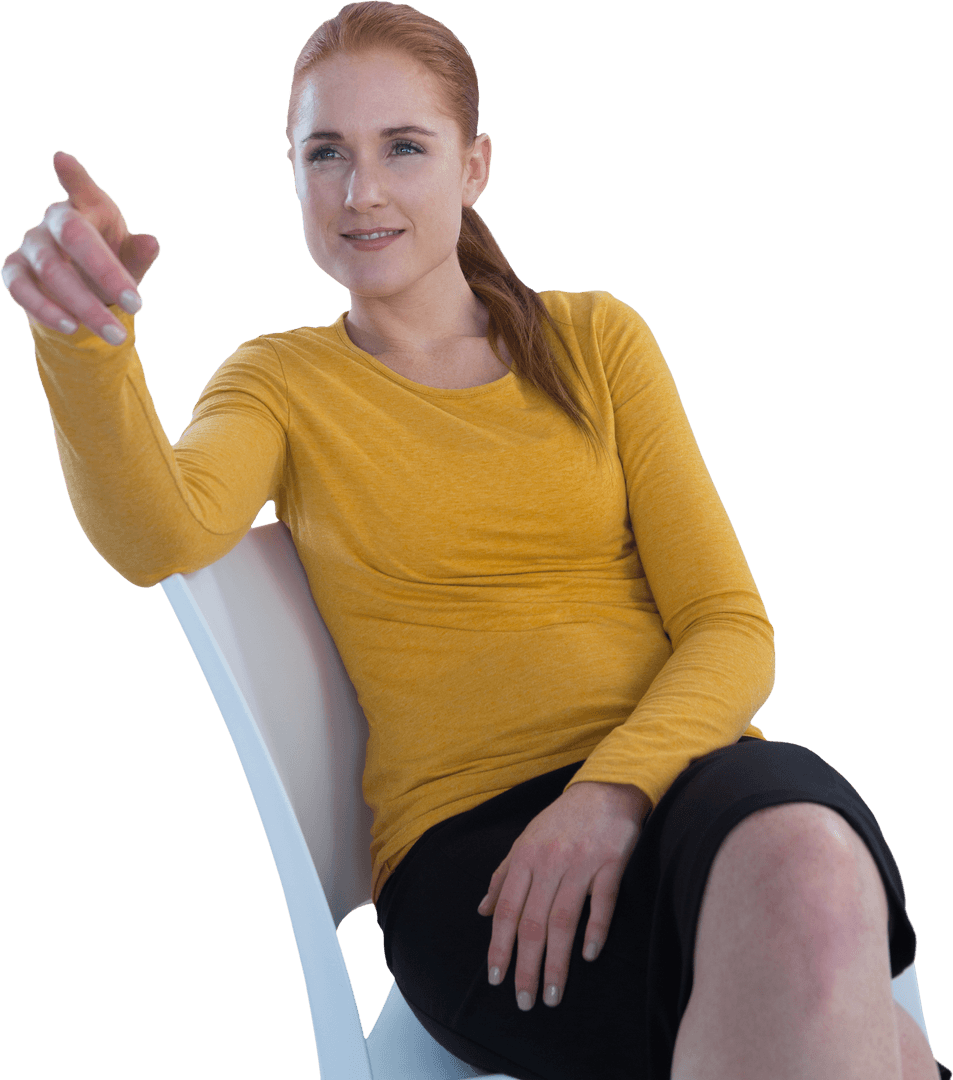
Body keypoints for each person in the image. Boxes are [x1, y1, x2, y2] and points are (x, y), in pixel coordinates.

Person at [3, 3, 947, 1078]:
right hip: (476, 853)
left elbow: (729, 628)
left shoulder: (597, 339)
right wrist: (86, 346)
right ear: (294, 176)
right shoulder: (280, 382)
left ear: (473, 166)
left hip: (680, 779)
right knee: (878, 1041)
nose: (360, 191)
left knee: (813, 859)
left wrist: (609, 791)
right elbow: (151, 533)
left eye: (402, 147)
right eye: (325, 154)